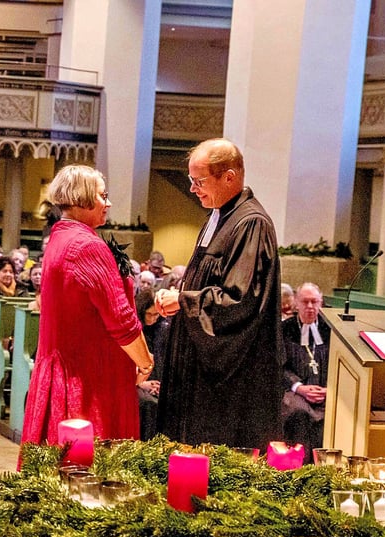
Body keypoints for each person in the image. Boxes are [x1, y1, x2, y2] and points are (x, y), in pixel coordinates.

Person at [155, 138, 283, 450]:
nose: (192, 189)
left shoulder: (250, 224)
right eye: (190, 180)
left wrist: (184, 301)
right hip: (195, 370)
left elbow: (240, 302)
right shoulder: (219, 216)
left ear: (229, 177)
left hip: (227, 382)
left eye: (199, 181)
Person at [21, 165, 153, 450]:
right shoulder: (85, 246)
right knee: (88, 471)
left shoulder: (60, 238)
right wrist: (144, 361)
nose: (108, 203)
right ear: (82, 198)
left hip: (67, 367)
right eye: (102, 196)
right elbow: (121, 319)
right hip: (88, 379)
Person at [281, 282, 329, 462]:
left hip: (326, 391)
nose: (310, 307)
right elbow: (279, 366)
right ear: (296, 303)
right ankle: (296, 465)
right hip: (295, 391)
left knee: (334, 413)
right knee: (297, 411)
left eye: (314, 302)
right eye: (305, 302)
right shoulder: (284, 329)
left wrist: (329, 389)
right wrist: (299, 387)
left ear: (321, 303)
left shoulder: (331, 330)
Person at [135, 288, 167, 440]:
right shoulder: (135, 330)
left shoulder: (161, 329)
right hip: (136, 381)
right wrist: (142, 383)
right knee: (149, 405)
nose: (154, 318)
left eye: (157, 314)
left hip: (151, 381)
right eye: (150, 314)